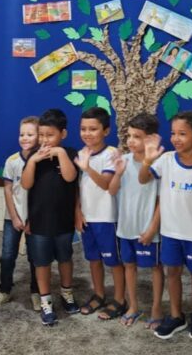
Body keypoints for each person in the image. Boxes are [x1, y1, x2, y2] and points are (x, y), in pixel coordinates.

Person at [140, 111, 192, 340]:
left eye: (182, 134)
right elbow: (143, 178)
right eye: (173, 133)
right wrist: (147, 159)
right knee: (171, 271)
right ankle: (176, 315)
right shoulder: (165, 160)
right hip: (170, 233)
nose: (175, 138)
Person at [21, 108, 80, 326]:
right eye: (42, 135)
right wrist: (33, 161)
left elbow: (70, 176)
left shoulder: (71, 153)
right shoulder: (33, 156)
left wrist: (61, 154)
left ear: (62, 134)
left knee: (65, 259)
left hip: (64, 221)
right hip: (39, 222)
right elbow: (26, 184)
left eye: (50, 135)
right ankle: (46, 301)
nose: (45, 140)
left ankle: (67, 293)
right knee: (42, 263)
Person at [108, 113, 163, 329]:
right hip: (126, 227)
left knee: (155, 267)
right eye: (129, 135)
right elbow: (112, 191)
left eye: (137, 137)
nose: (131, 141)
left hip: (149, 229)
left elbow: (161, 200)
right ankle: (133, 306)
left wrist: (152, 228)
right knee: (129, 266)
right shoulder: (125, 160)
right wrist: (118, 173)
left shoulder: (159, 162)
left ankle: (157, 308)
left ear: (150, 139)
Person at [74, 107, 126, 320]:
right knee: (93, 259)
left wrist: (87, 168)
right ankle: (99, 294)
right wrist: (77, 212)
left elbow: (105, 184)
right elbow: (77, 187)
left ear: (106, 131)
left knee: (113, 261)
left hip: (107, 218)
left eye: (93, 129)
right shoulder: (82, 153)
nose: (87, 133)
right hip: (88, 218)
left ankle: (120, 300)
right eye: (83, 129)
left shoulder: (111, 153)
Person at [0, 116, 40, 311]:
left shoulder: (42, 160)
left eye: (30, 134)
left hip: (35, 219)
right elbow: (8, 189)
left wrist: (32, 219)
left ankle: (36, 291)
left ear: (39, 136)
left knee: (36, 257)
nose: (24, 138)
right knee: (7, 255)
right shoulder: (12, 161)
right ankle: (4, 290)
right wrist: (15, 217)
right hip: (13, 217)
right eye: (22, 134)